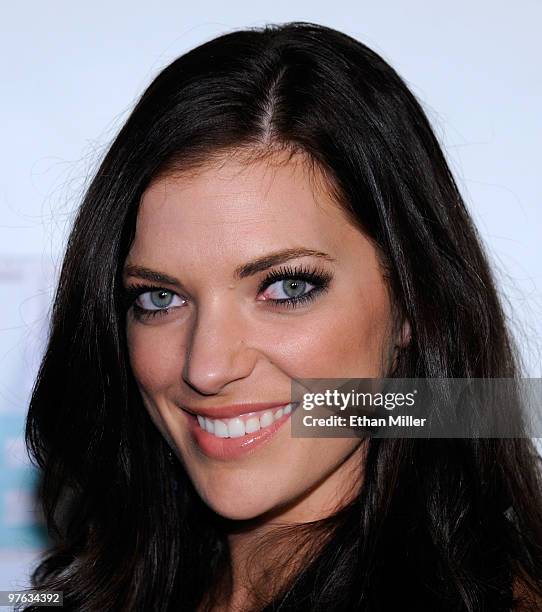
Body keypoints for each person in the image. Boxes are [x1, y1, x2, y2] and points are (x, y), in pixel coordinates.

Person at [24, 21, 542, 611]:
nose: (208, 368)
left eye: (286, 287)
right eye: (160, 299)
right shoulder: (107, 588)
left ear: (412, 303)